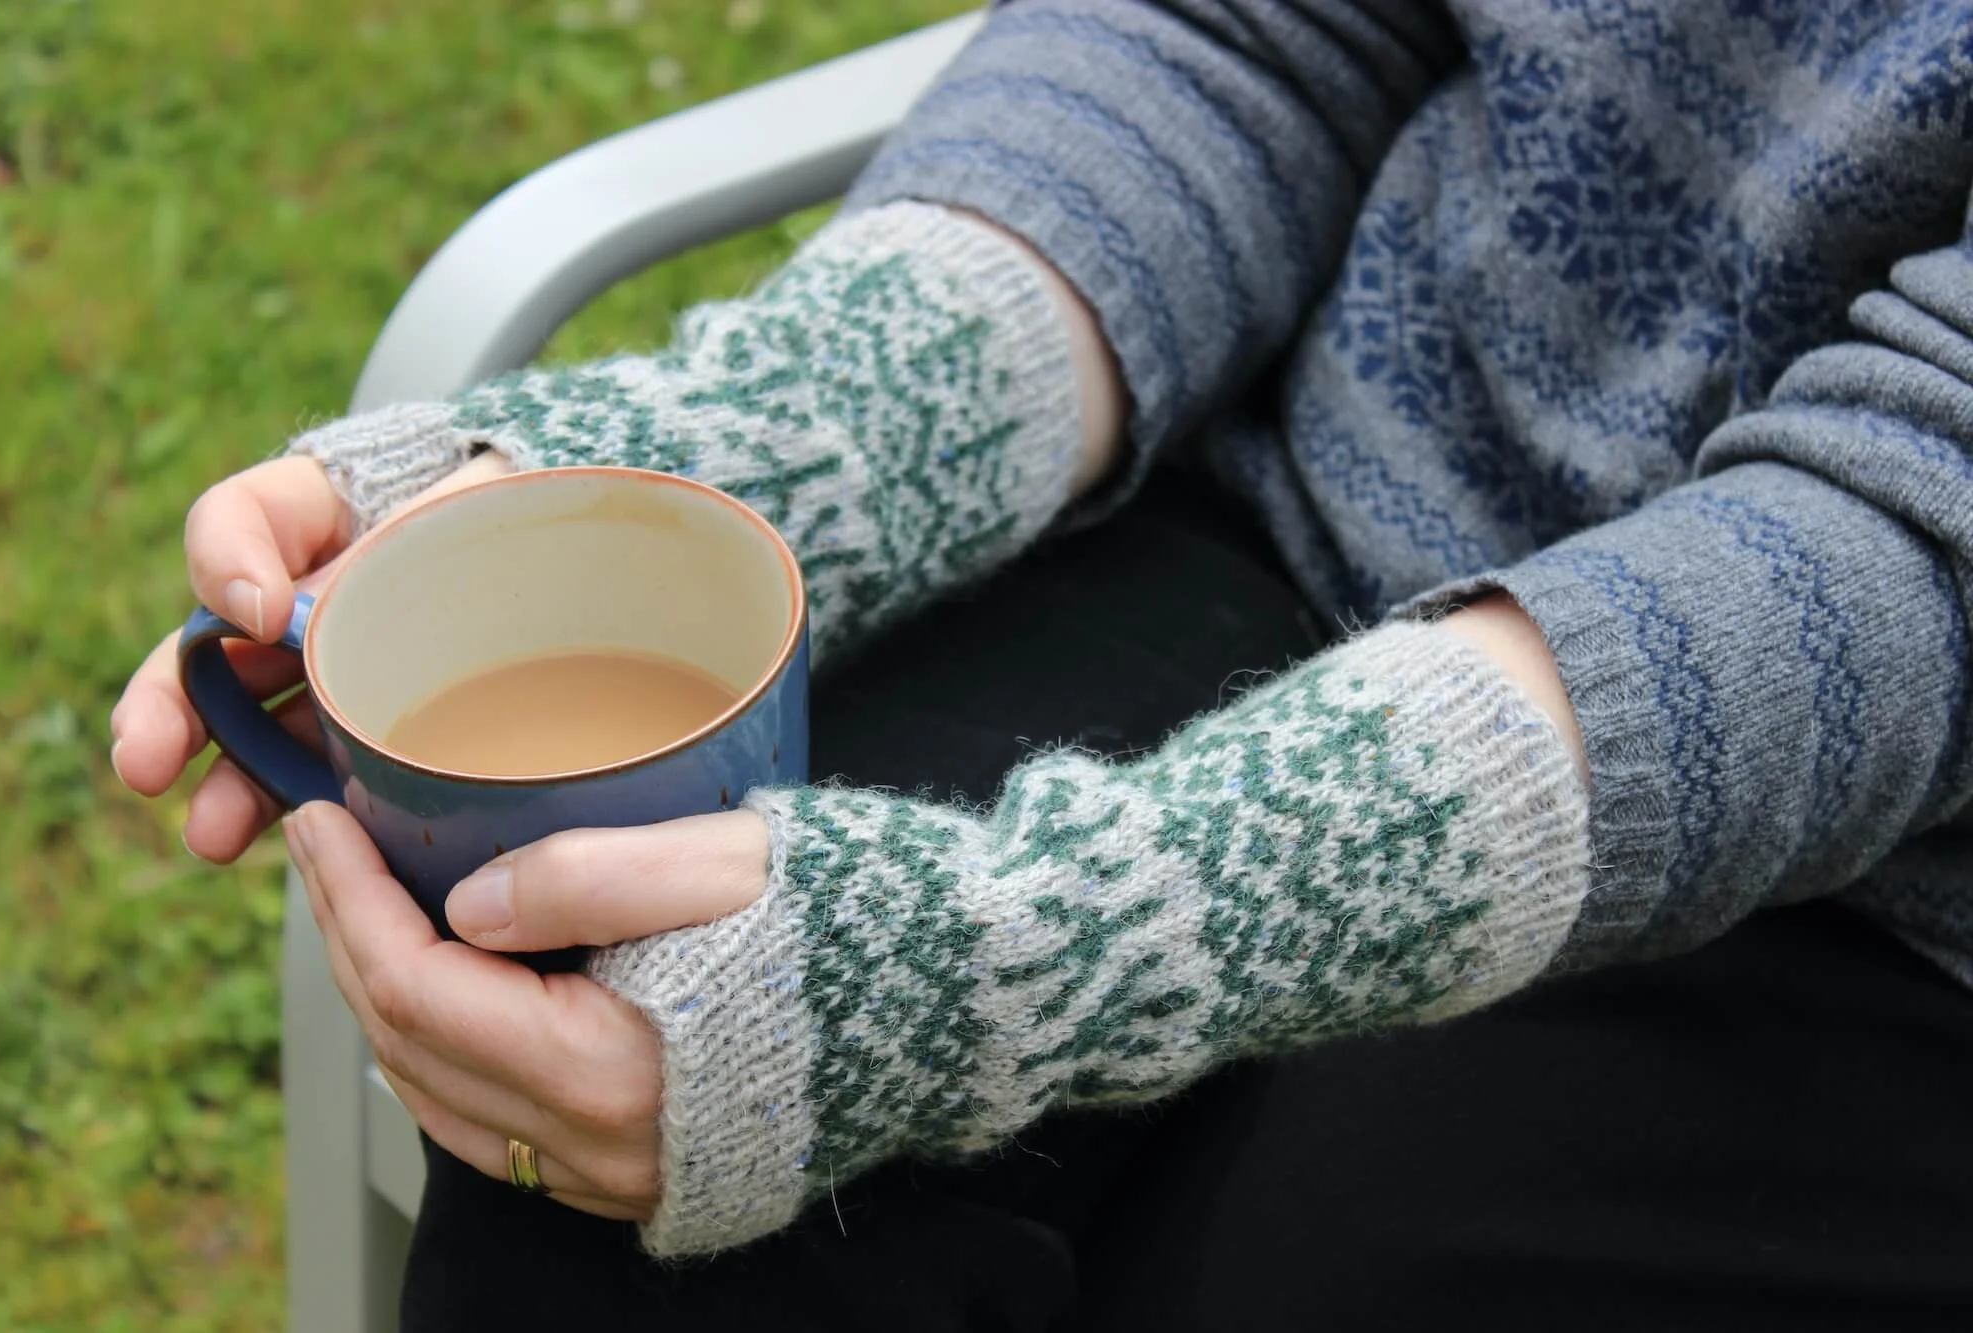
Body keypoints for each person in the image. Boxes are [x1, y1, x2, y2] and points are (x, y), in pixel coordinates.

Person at [113, 1, 1973, 1327]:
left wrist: (1039, 950)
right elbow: (1252, 37)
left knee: (1294, 1275)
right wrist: (730, 461)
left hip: (1890, 886)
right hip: (1323, 504)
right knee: (640, 1085)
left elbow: (1917, 536)